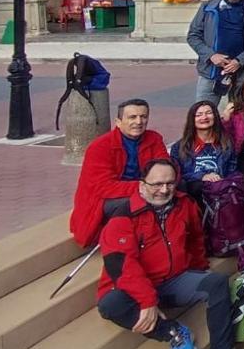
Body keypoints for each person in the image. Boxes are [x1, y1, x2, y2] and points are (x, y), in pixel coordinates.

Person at [95, 159, 244, 349]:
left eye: (170, 183)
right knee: (110, 305)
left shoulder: (185, 204)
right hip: (137, 287)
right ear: (141, 185)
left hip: (173, 280)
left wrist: (199, 268)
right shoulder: (122, 218)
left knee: (217, 283)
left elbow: (195, 238)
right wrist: (147, 300)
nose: (164, 190)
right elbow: (121, 266)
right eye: (157, 184)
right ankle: (173, 332)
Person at [70, 99, 169, 247]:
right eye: (132, 117)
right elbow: (104, 187)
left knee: (181, 186)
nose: (139, 121)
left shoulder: (154, 139)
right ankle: (135, 243)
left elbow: (167, 168)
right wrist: (146, 187)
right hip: (105, 200)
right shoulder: (100, 147)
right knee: (135, 203)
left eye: (143, 116)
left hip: (148, 189)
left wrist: (158, 185)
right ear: (118, 121)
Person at [170, 101, 239, 205]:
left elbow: (232, 169)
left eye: (208, 113)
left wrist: (219, 178)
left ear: (215, 116)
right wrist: (202, 176)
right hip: (194, 190)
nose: (204, 117)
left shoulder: (226, 143)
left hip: (220, 186)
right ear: (192, 120)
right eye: (198, 115)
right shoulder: (180, 147)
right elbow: (178, 174)